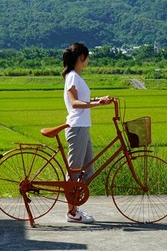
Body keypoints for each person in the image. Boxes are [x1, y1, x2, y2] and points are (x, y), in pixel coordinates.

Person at [62, 42, 112, 224]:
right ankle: (71, 212)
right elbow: (75, 103)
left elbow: (83, 99)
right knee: (74, 170)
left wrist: (100, 100)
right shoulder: (73, 77)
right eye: (87, 57)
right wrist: (96, 104)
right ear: (81, 57)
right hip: (76, 127)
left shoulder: (76, 77)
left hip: (83, 127)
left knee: (88, 169)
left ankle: (75, 205)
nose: (88, 60)